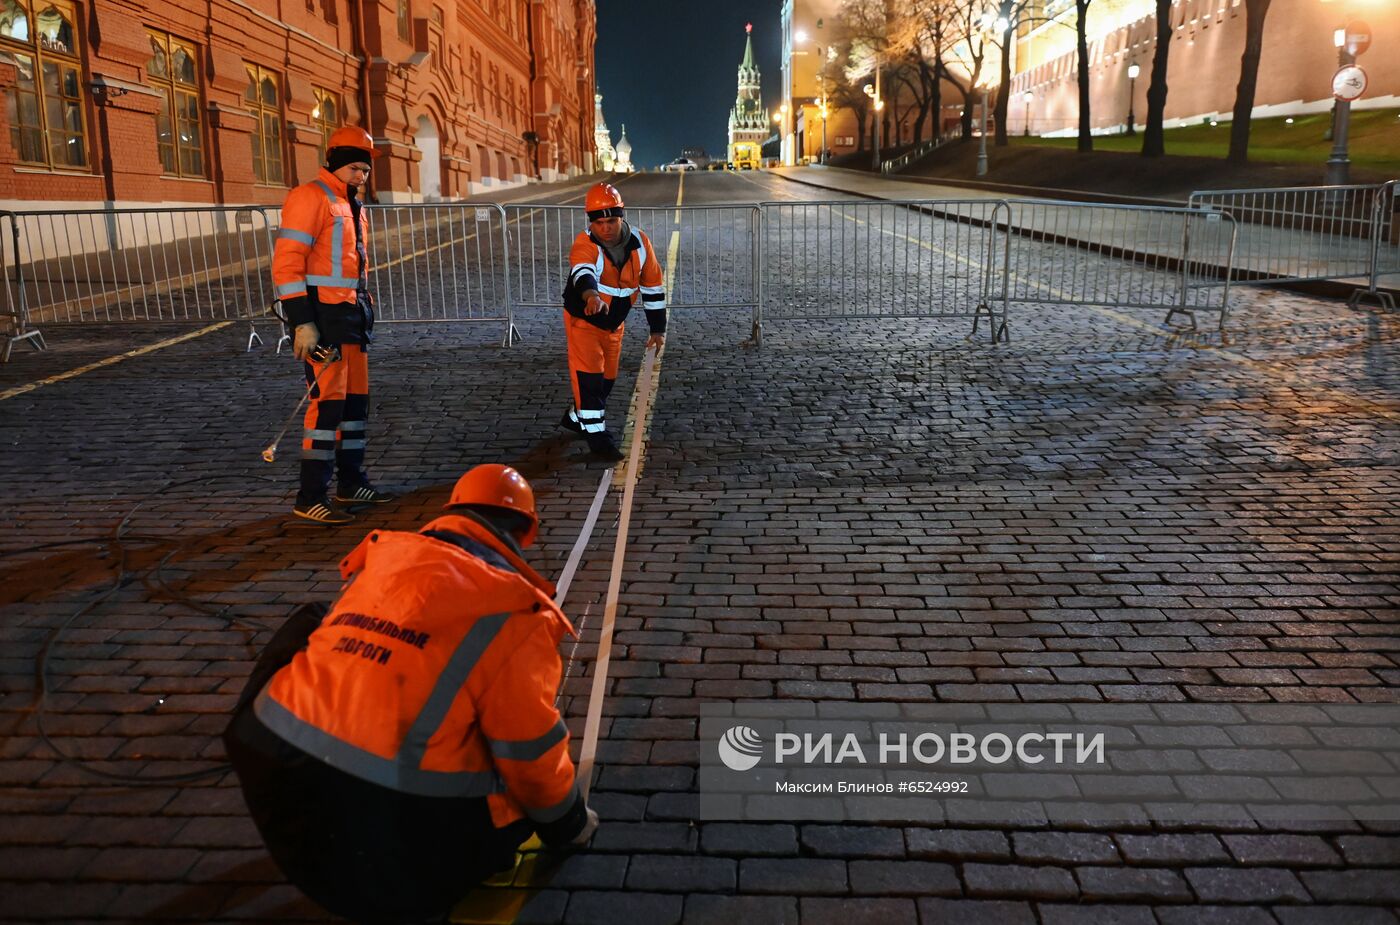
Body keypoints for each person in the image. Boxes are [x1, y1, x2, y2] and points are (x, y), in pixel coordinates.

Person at [223, 464, 598, 924]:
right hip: (393, 858)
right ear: (528, 532)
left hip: (276, 795)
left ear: (451, 513)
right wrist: (569, 826)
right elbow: (531, 755)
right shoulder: (516, 615)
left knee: (315, 618)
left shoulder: (382, 560)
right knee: (511, 786)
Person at [273, 125, 392, 525]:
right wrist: (302, 323)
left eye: (366, 170)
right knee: (327, 409)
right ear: (338, 163)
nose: (362, 176)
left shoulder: (350, 202)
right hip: (323, 319)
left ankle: (351, 481)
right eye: (356, 168)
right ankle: (310, 495)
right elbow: (288, 262)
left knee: (355, 406)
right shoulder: (310, 197)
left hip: (352, 317)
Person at [560, 182, 667, 461]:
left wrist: (657, 328)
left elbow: (653, 286)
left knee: (608, 378)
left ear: (622, 217)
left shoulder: (641, 244)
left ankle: (576, 417)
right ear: (591, 223)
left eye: (612, 221)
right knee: (590, 379)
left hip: (613, 324)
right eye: (599, 222)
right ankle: (598, 439)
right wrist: (591, 296)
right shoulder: (585, 243)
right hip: (583, 320)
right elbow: (583, 272)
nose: (605, 228)